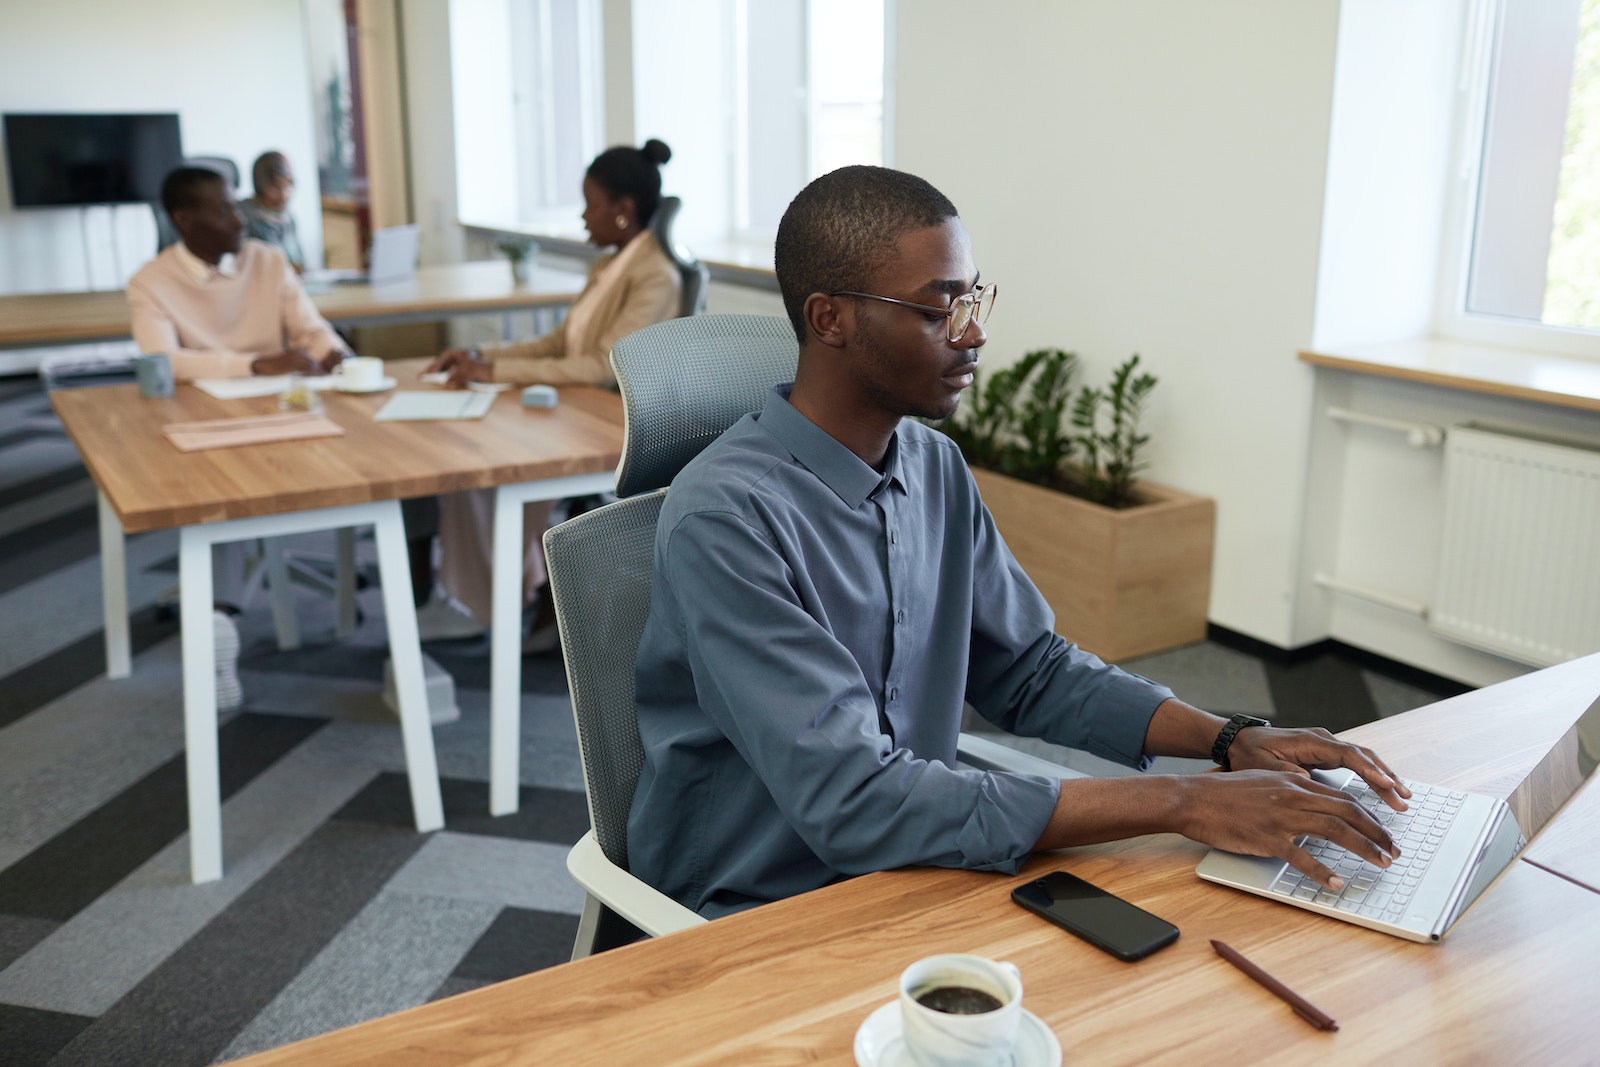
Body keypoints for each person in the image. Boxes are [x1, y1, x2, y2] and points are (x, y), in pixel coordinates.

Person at [627, 165, 1413, 918]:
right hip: (763, 903)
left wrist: (1229, 737)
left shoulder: (932, 465)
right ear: (830, 317)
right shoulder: (726, 519)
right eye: (938, 309)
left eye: (974, 298)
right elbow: (856, 801)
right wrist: (1184, 799)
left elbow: (1030, 670)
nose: (972, 334)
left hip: (915, 858)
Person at [415, 140, 683, 645]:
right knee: (468, 452)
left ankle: (493, 598)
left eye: (591, 204)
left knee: (490, 461)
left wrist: (495, 372)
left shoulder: (655, 275)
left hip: (611, 417)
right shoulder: (609, 266)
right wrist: (485, 358)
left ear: (623, 210)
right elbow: (561, 342)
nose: (583, 217)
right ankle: (485, 596)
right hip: (578, 404)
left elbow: (605, 365)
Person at [129, 166, 347, 383]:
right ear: (184, 220)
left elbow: (310, 332)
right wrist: (255, 364)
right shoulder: (149, 282)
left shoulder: (269, 261)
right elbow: (163, 360)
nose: (239, 221)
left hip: (276, 395)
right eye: (224, 211)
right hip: (199, 405)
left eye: (237, 208)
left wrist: (333, 353)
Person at [239, 150, 305, 272]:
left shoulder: (289, 220)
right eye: (275, 187)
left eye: (287, 186)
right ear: (260, 185)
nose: (284, 195)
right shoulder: (242, 216)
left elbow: (300, 262)